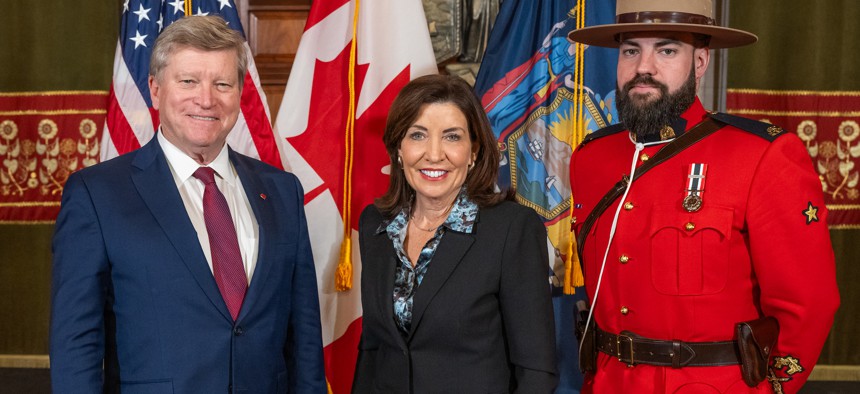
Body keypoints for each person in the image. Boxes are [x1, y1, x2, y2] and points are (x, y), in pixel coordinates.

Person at [567, 0, 840, 393]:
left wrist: (773, 388)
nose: (643, 67)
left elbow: (807, 305)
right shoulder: (591, 159)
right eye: (631, 50)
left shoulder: (761, 156)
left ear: (700, 62)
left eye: (666, 49)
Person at [50, 16, 326, 393]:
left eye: (222, 84)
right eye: (189, 81)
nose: (206, 99)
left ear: (240, 92)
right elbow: (75, 343)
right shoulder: (96, 195)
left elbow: (304, 332)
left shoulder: (281, 191)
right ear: (155, 90)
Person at [352, 74, 557, 393]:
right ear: (399, 149)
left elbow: (536, 370)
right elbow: (374, 349)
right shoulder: (375, 225)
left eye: (452, 137)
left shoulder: (512, 229)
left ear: (473, 150)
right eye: (418, 135)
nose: (434, 155)